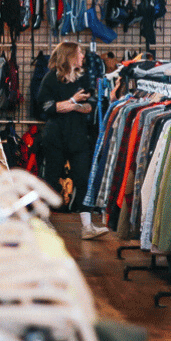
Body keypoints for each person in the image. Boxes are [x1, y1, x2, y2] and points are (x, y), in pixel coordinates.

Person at [36, 40, 109, 238]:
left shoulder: (83, 79)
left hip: (78, 135)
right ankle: (43, 222)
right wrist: (73, 101)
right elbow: (46, 108)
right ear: (69, 56)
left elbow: (89, 107)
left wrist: (70, 105)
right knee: (51, 179)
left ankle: (87, 226)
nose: (83, 57)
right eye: (79, 53)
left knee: (83, 179)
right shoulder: (50, 79)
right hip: (55, 135)